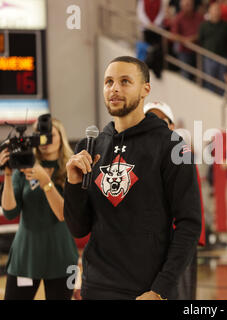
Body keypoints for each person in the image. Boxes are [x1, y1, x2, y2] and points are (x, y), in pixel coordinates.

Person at [63, 56, 202, 300]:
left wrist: (160, 289)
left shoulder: (172, 146)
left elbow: (189, 225)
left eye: (125, 81)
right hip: (96, 287)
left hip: (146, 290)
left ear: (145, 89)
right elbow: (79, 228)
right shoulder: (90, 146)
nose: (114, 88)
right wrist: (73, 184)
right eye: (108, 82)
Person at [0, 118, 78, 300]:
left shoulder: (72, 169)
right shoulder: (25, 166)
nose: (45, 140)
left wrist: (46, 182)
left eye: (50, 135)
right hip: (25, 257)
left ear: (61, 137)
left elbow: (63, 214)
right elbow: (10, 213)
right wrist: (9, 174)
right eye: (40, 136)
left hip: (62, 257)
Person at [143, 101, 206, 300]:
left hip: (177, 246)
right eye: (149, 119)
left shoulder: (182, 157)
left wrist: (192, 242)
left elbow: (193, 210)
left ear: (172, 127)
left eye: (162, 121)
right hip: (145, 247)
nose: (155, 125)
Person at [198, 2, 227, 94]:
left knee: (222, 82)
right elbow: (201, 40)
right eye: (214, 10)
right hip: (209, 57)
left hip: (222, 57)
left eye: (218, 10)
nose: (216, 12)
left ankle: (221, 99)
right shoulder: (204, 25)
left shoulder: (226, 26)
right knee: (209, 81)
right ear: (209, 11)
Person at [170, 0, 204, 80]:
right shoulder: (178, 18)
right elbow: (173, 35)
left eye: (189, 5)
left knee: (199, 74)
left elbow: (203, 32)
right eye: (186, 5)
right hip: (184, 49)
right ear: (181, 6)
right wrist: (185, 40)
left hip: (197, 49)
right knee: (186, 74)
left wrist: (193, 38)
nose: (187, 7)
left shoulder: (199, 17)